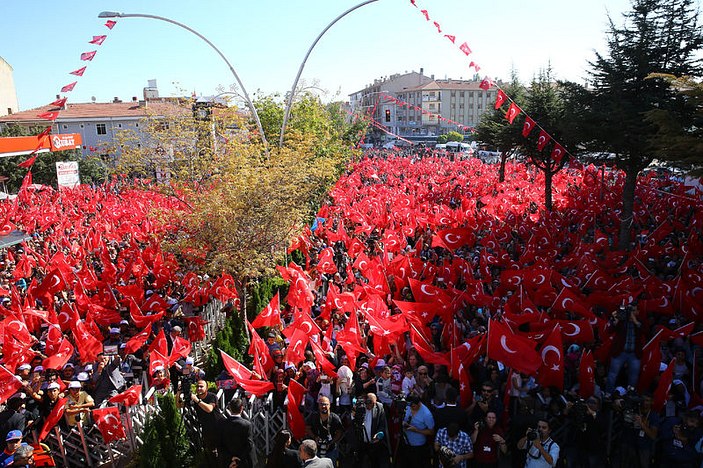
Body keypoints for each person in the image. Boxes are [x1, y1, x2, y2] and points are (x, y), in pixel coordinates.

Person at [191, 379, 225, 466]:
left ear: (207, 388)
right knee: (211, 452)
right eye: (197, 386)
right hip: (206, 428)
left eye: (201, 386)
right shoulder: (195, 398)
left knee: (222, 451)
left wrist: (197, 401)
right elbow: (179, 405)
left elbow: (209, 409)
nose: (199, 388)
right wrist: (179, 393)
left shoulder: (212, 396)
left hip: (218, 426)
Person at [354, 393, 390, 468]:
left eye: (374, 403)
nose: (372, 405)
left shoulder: (379, 407)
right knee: (360, 462)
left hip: (374, 443)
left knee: (374, 462)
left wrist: (378, 435)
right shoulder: (360, 407)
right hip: (361, 442)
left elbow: (382, 425)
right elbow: (353, 424)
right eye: (369, 402)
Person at [305, 396, 343, 465]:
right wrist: (315, 437)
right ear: (318, 405)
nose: (324, 406)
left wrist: (331, 442)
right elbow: (307, 427)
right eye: (321, 404)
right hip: (316, 449)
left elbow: (340, 432)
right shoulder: (313, 416)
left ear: (329, 405)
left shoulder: (335, 418)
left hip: (331, 449)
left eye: (326, 404)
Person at [219, 398, 257, 468]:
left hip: (228, 461)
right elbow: (249, 444)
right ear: (242, 408)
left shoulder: (222, 424)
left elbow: (221, 444)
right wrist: (239, 459)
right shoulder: (246, 424)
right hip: (245, 461)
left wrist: (231, 458)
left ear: (229, 408)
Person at [400, 394, 435, 468]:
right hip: (405, 443)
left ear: (419, 403)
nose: (411, 408)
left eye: (413, 407)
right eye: (410, 406)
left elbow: (431, 431)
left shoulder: (427, 415)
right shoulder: (408, 406)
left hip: (418, 447)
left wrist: (417, 430)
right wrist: (403, 422)